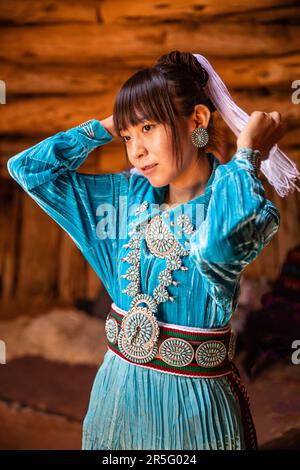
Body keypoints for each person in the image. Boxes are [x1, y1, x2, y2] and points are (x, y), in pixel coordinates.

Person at [7, 51, 289, 450]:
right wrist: (110, 124)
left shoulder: (231, 192)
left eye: (148, 127)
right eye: (127, 137)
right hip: (115, 399)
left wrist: (248, 155)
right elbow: (29, 170)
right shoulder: (127, 197)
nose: (135, 151)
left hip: (194, 411)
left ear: (197, 121)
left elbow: (218, 244)